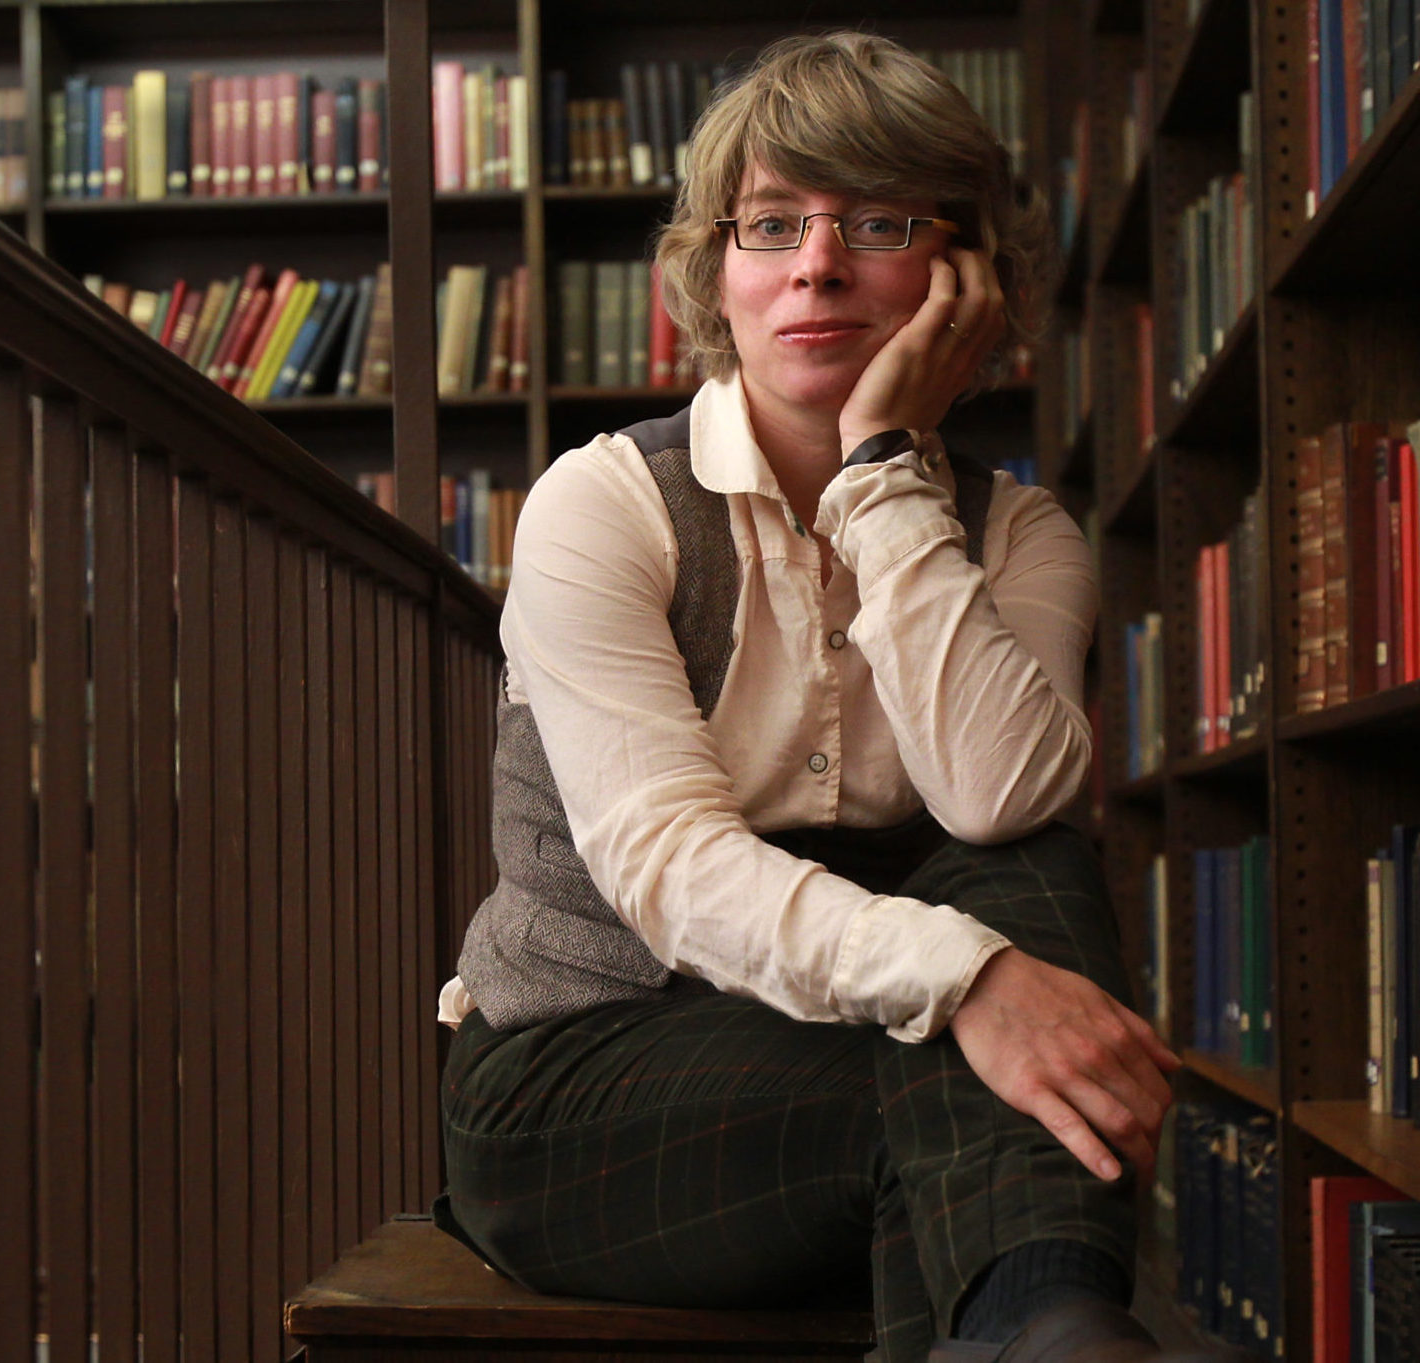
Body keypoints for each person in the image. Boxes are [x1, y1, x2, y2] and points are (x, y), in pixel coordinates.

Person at [435, 32, 1217, 1363]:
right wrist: (968, 981)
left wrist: (876, 471)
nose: (816, 265)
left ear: (967, 278)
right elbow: (666, 869)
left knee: (1018, 867)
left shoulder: (1022, 536)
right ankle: (1063, 1328)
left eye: (877, 221)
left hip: (870, 1051)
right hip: (583, 1086)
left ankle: (1042, 1335)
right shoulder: (600, 505)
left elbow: (999, 796)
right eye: (771, 224)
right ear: (715, 272)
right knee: (978, 1070)